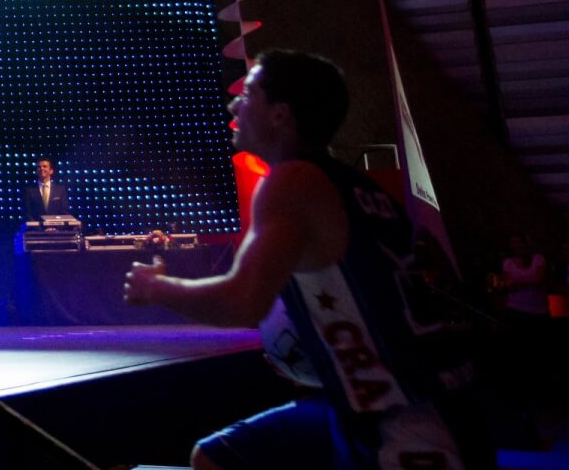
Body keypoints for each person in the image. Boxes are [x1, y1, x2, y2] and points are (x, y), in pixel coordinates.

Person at [123, 50, 480, 470]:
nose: (234, 103)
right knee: (214, 458)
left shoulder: (291, 182)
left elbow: (243, 301)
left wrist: (157, 287)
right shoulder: (361, 189)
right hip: (417, 397)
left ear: (280, 115)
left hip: (406, 419)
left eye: (249, 92)